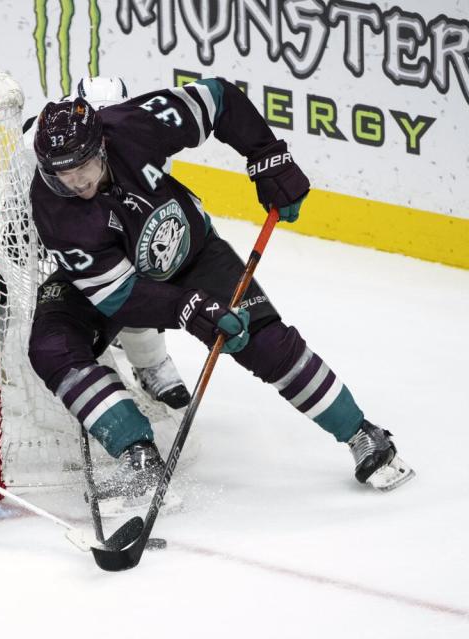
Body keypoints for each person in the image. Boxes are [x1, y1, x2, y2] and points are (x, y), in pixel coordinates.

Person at [27, 77, 415, 502]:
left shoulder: (132, 125)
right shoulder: (54, 210)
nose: (77, 183)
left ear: (100, 146)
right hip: (115, 284)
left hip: (193, 255)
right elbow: (120, 296)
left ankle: (362, 432)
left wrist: (268, 157)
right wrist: (190, 308)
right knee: (52, 346)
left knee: (262, 340)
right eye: (63, 175)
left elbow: (218, 98)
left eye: (84, 167)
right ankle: (138, 456)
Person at [24, 76, 191, 411]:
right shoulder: (34, 143)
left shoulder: (139, 139)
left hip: (106, 226)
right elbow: (11, 196)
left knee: (141, 268)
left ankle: (149, 362)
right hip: (37, 225)